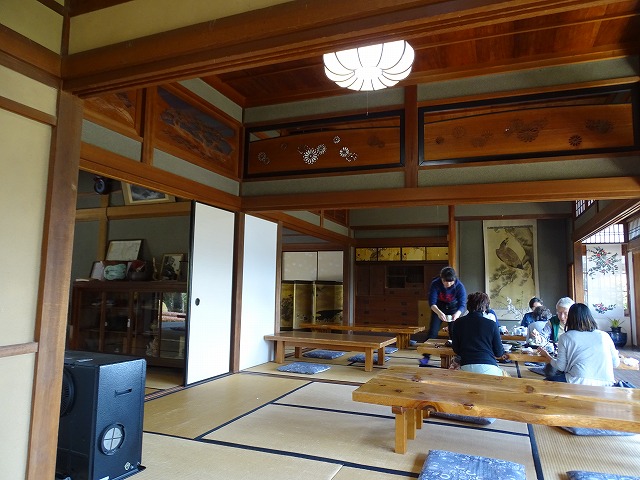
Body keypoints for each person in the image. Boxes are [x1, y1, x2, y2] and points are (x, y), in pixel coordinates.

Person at [538, 303, 619, 385]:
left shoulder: (566, 337)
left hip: (578, 381)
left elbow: (560, 367)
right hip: (607, 384)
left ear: (570, 318)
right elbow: (616, 363)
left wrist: (547, 355)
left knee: (544, 384)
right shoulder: (604, 335)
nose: (562, 316)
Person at [419, 266, 466, 366]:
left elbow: (462, 304)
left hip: (454, 309)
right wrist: (439, 313)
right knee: (432, 332)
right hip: (438, 308)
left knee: (454, 333)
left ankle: (457, 358)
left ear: (454, 279)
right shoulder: (435, 284)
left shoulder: (459, 286)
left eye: (451, 281)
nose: (448, 284)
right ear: (441, 278)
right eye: (445, 281)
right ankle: (426, 357)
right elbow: (432, 302)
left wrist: (457, 314)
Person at [450, 292, 505, 375]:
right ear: (485, 307)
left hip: (466, 366)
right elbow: (499, 353)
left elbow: (456, 349)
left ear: (468, 305)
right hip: (489, 366)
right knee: (505, 376)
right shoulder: (491, 324)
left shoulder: (458, 322)